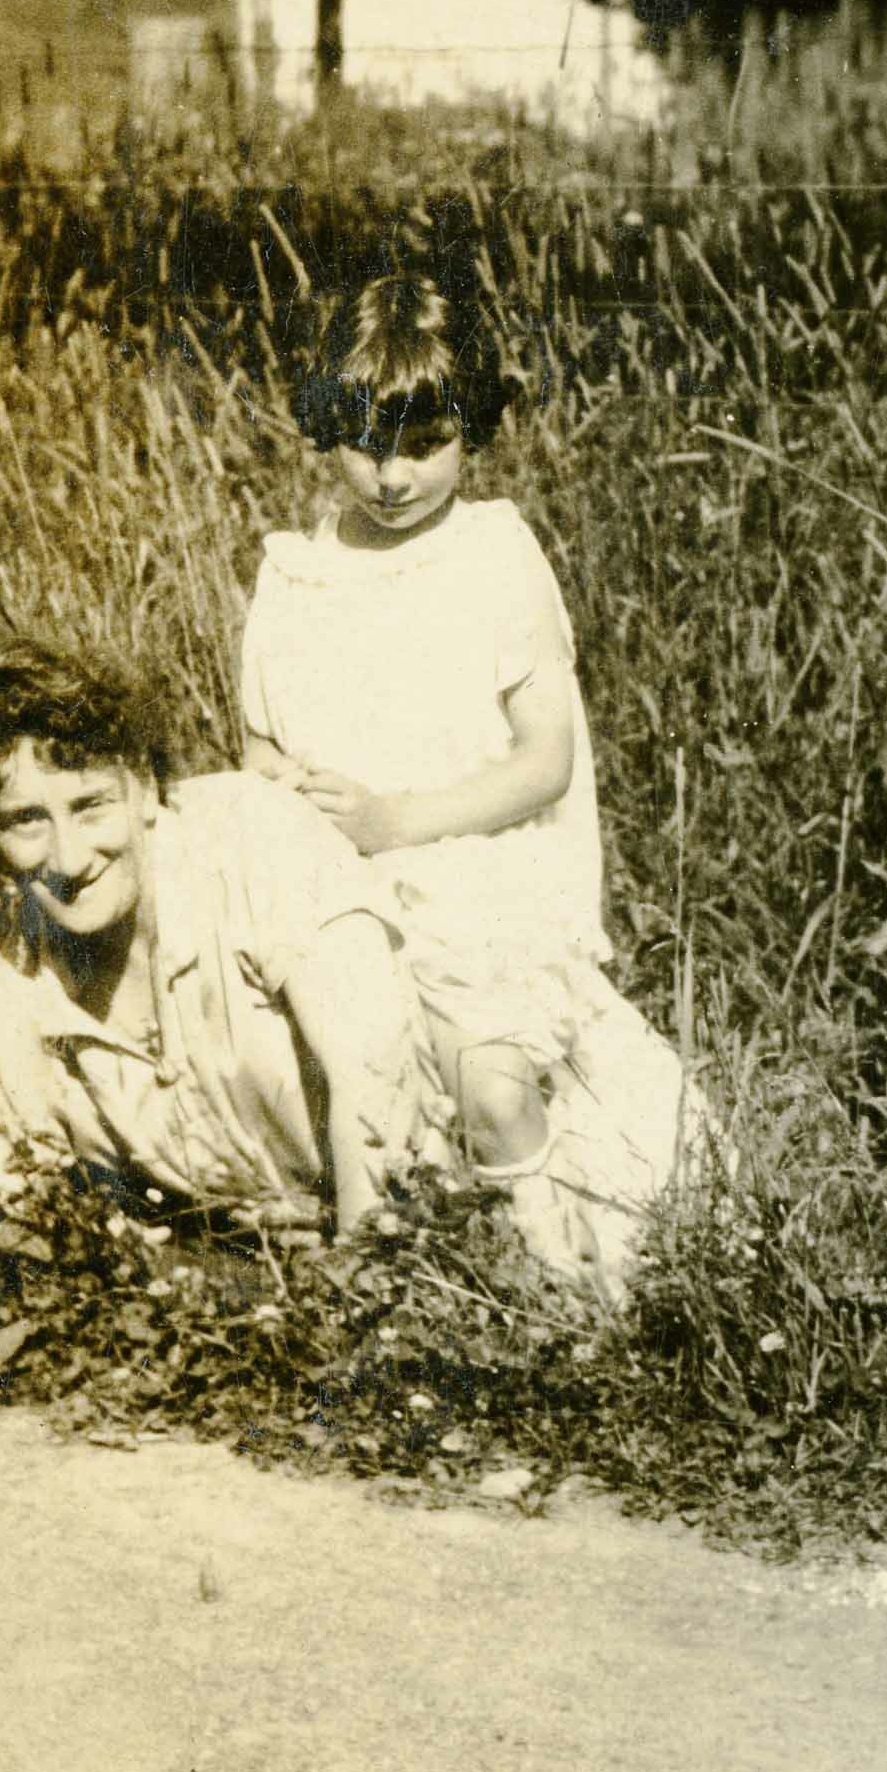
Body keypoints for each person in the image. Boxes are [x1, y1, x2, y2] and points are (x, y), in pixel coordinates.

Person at [238, 264, 701, 1289]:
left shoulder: (493, 556)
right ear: (327, 426)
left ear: (470, 431)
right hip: (345, 883)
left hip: (477, 873)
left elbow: (544, 763)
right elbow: (261, 751)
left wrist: (395, 819)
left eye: (423, 444)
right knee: (352, 1077)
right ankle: (408, 1280)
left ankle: (556, 1283)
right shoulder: (297, 575)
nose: (392, 477)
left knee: (490, 1084)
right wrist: (305, 818)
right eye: (365, 443)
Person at [0, 645, 440, 1234]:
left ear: (144, 788)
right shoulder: (24, 992)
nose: (68, 857)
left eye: (91, 807)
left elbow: (377, 1084)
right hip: (263, 1275)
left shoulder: (257, 842)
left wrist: (364, 1282)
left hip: (431, 1214)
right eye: (26, 820)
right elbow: (9, 1200)